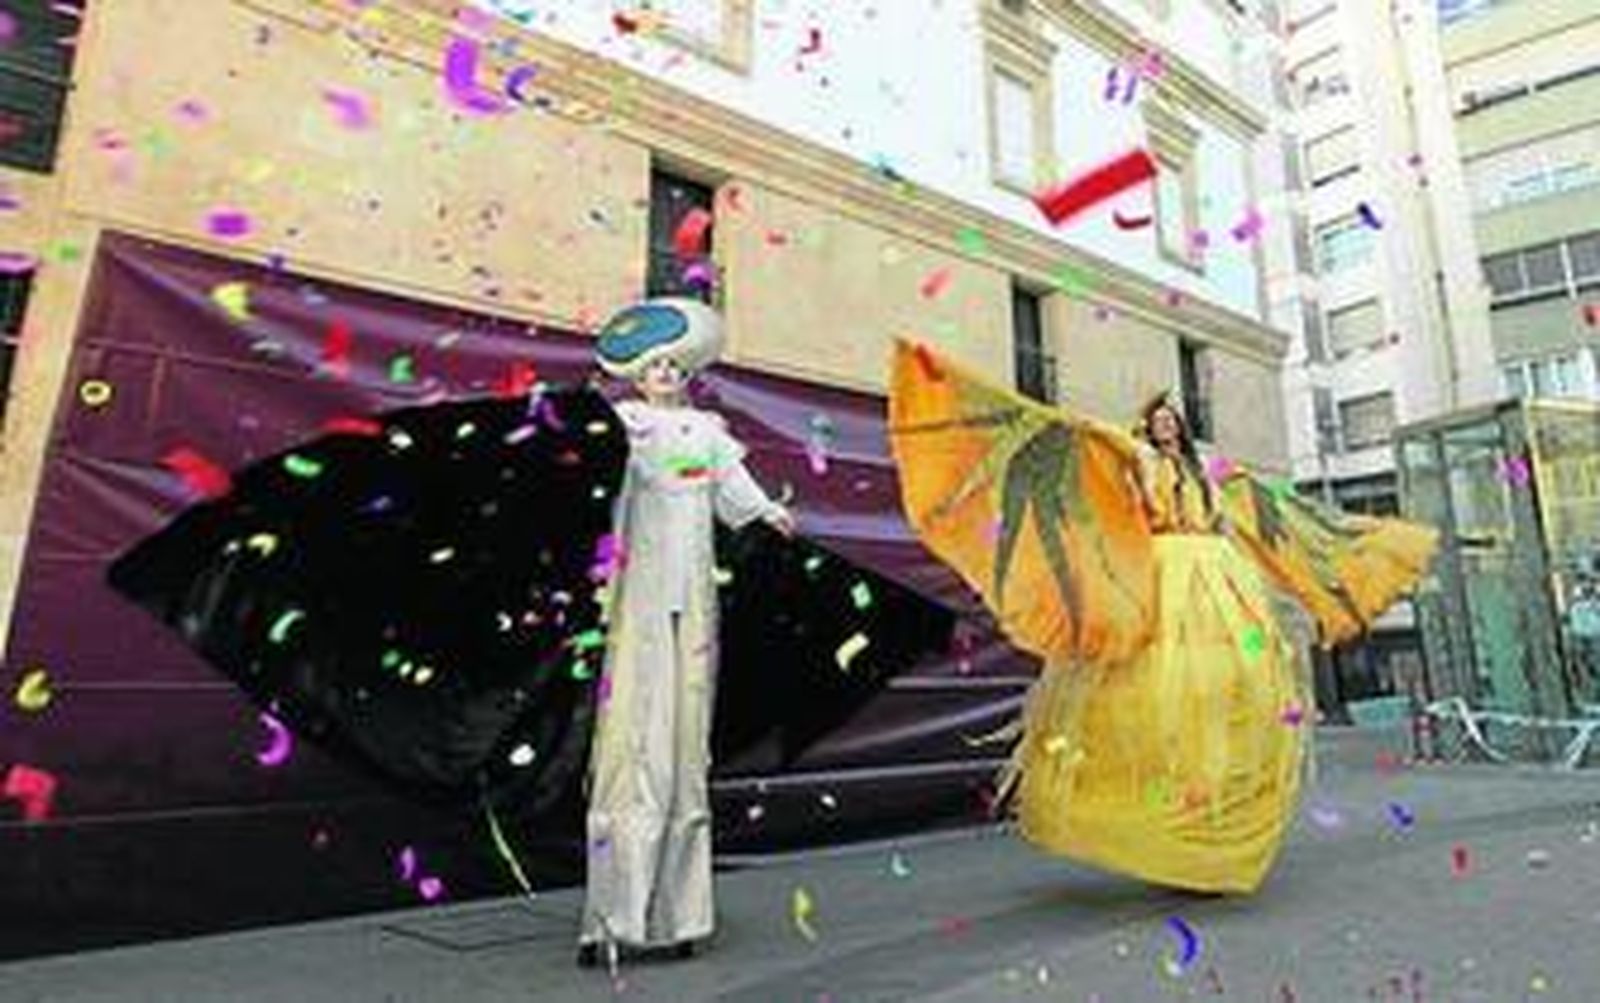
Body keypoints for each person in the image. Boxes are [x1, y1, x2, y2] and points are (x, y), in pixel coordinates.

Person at [888, 340, 1437, 893]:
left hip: (1222, 583)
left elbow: (1265, 510)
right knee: (1156, 700)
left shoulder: (1212, 473)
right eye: (1159, 421)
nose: (1167, 427)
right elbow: (1098, 447)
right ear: (1149, 428)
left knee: (1234, 689)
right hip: (1165, 578)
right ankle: (1165, 831)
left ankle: (1214, 834)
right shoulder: (1140, 460)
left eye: (1173, 419)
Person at [578, 298, 794, 967]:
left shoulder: (706, 432)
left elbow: (739, 492)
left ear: (689, 371)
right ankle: (609, 920)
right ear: (638, 375)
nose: (665, 372)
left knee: (683, 755)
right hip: (637, 601)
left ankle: (679, 916)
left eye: (675, 363)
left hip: (692, 606)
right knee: (626, 757)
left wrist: (769, 513)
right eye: (654, 364)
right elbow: (590, 486)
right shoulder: (622, 424)